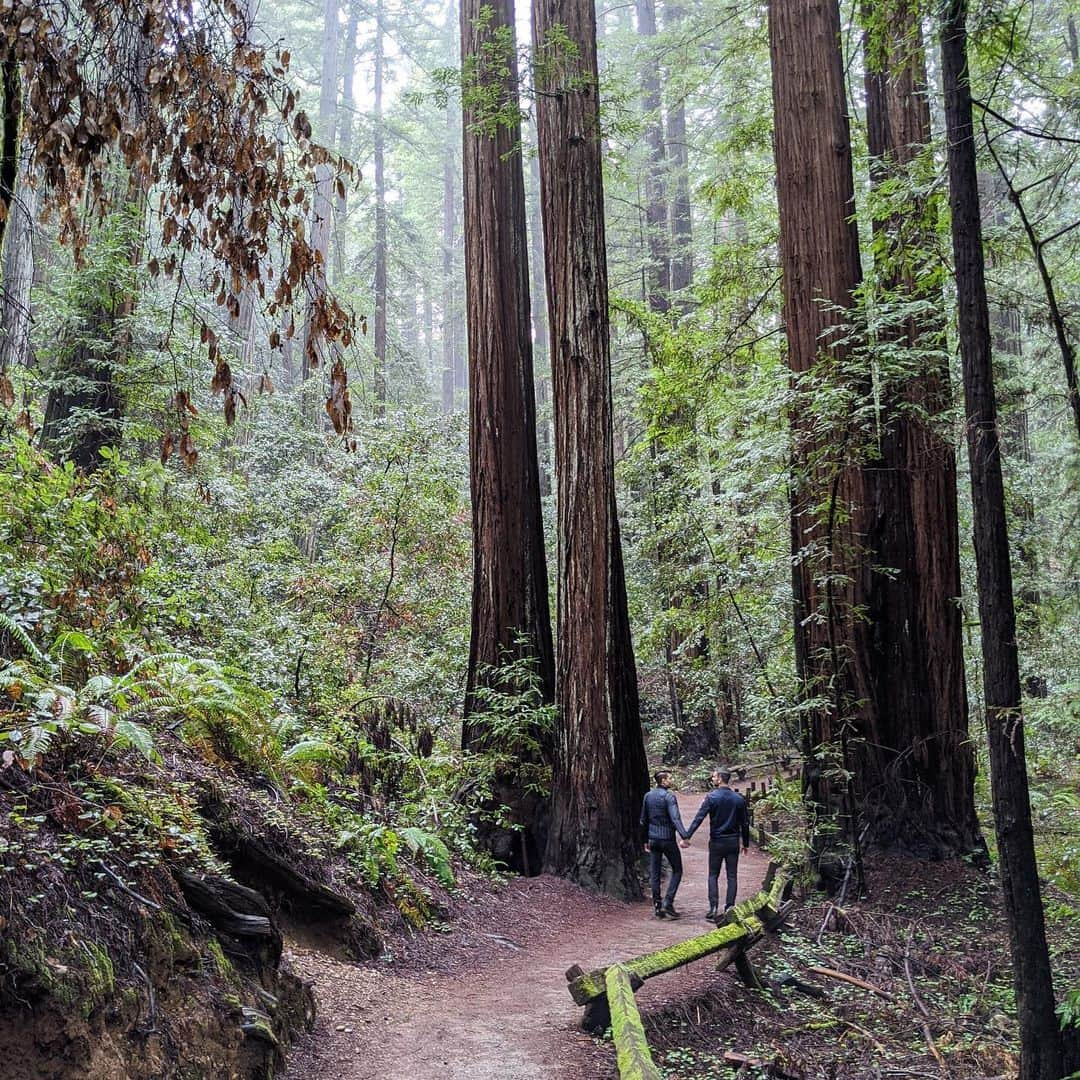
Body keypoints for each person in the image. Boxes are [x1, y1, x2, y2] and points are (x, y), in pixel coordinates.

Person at [685, 766, 750, 921]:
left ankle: (713, 907)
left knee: (713, 874)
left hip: (716, 841)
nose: (712, 779)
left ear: (720, 778)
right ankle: (729, 907)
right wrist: (745, 843)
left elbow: (699, 818)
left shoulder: (711, 797)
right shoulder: (739, 799)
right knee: (732, 875)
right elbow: (745, 823)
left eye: (714, 776)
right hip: (733, 841)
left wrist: (687, 836)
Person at [639, 770, 691, 919]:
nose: (671, 780)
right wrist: (685, 836)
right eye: (669, 778)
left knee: (654, 873)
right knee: (677, 870)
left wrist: (645, 840)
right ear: (662, 781)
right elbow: (675, 818)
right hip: (667, 839)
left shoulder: (648, 796)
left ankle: (657, 905)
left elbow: (643, 820)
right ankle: (668, 901)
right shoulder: (669, 797)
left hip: (653, 839)